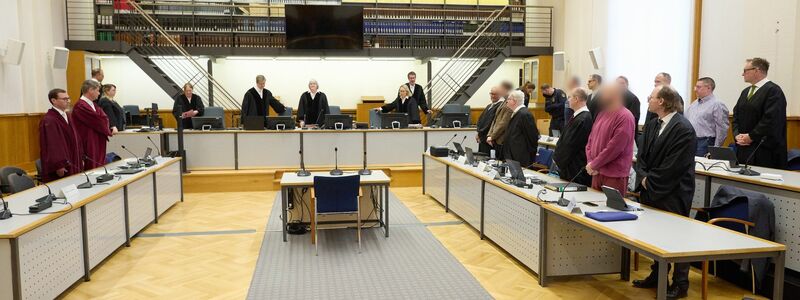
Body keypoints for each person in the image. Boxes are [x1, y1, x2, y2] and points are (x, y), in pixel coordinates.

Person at [632, 85, 697, 299]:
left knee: (676, 238)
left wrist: (651, 181)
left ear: (662, 101)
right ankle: (657, 275)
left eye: (651, 97)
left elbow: (675, 165)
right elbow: (641, 156)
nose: (648, 100)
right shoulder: (652, 124)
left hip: (674, 191)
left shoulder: (683, 128)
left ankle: (681, 283)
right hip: (650, 187)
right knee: (656, 236)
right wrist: (642, 177)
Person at [732, 57, 788, 169]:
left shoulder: (773, 91)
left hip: (764, 151)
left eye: (745, 71)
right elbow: (736, 115)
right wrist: (737, 135)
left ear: (756, 70)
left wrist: (751, 136)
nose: (742, 74)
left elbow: (771, 120)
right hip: (743, 148)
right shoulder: (745, 92)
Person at [585, 84, 635, 194]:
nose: (601, 96)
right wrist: (590, 162)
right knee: (592, 206)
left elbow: (615, 147)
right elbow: (590, 140)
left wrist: (594, 164)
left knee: (611, 210)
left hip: (614, 174)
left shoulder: (625, 116)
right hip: (596, 171)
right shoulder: (602, 113)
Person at [39, 89, 82, 183]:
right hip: (61, 165)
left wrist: (80, 156)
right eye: (64, 99)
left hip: (73, 159)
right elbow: (53, 144)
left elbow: (76, 138)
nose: (68, 101)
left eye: (68, 98)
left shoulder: (67, 116)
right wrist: (59, 165)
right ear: (53, 101)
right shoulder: (49, 120)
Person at [553, 87, 593, 186]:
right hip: (570, 166)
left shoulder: (583, 118)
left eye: (570, 97)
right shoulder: (578, 116)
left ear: (576, 99)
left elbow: (570, 145)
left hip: (575, 168)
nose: (568, 100)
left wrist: (558, 161)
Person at [72, 80, 112, 170]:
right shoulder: (80, 106)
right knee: (92, 164)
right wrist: (104, 121)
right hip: (89, 140)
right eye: (97, 91)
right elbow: (99, 120)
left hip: (97, 138)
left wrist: (104, 120)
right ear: (90, 90)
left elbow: (105, 118)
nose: (99, 94)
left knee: (99, 164)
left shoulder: (92, 104)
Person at [685, 77, 730, 157]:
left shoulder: (717, 104)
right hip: (691, 141)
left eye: (699, 87)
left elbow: (722, 129)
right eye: (695, 87)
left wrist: (715, 149)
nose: (695, 89)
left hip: (705, 142)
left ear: (708, 88)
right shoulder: (694, 104)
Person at [502, 90, 539, 167]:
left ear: (514, 101)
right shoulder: (517, 112)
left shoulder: (525, 114)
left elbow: (532, 137)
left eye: (508, 99)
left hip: (520, 156)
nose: (506, 101)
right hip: (513, 154)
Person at [486, 84, 514, 160]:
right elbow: (494, 121)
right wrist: (490, 135)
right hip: (495, 138)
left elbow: (503, 123)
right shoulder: (503, 102)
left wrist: (492, 136)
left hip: (501, 139)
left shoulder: (509, 104)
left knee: (500, 162)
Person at [475, 87, 503, 155]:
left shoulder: (499, 106)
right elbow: (480, 119)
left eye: (495, 94)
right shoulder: (489, 106)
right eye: (491, 93)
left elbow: (490, 122)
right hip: (482, 136)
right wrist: (478, 132)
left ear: (499, 95)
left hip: (488, 138)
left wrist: (480, 133)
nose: (492, 96)